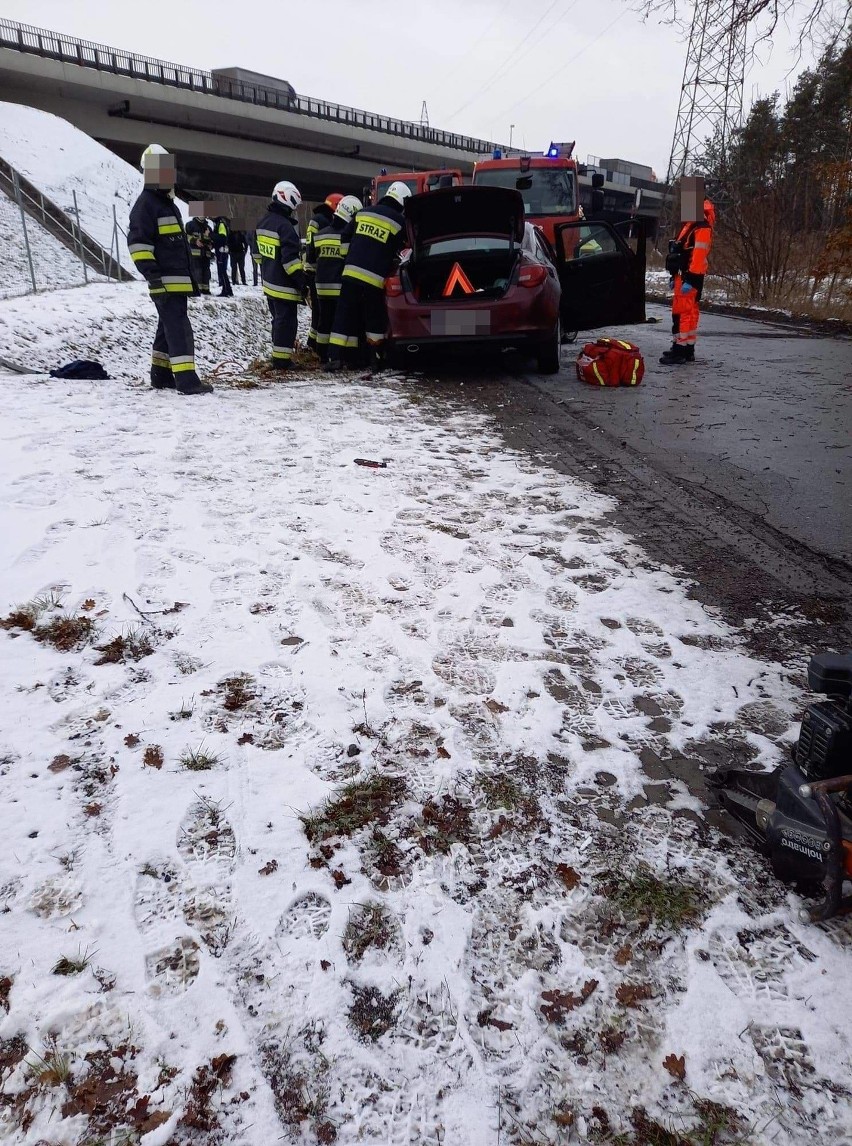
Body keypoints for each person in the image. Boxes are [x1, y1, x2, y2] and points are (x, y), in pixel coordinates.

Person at [126, 144, 212, 395]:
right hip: (164, 282)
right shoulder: (146, 206)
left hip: (175, 283)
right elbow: (139, 246)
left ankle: (161, 375)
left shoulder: (167, 205)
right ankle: (187, 380)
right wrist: (153, 278)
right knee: (179, 329)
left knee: (167, 328)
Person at [328, 181, 411, 373]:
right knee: (374, 318)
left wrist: (347, 258)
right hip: (374, 279)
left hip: (350, 274)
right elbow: (401, 250)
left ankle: (335, 358)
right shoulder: (398, 222)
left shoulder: (363, 212)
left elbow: (345, 236)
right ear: (402, 202)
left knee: (343, 315)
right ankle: (376, 359)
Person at [254, 180, 306, 370]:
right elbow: (290, 262)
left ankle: (278, 358)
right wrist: (302, 281)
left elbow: (256, 255)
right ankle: (282, 361)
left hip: (269, 283)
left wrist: (269, 268)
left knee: (277, 321)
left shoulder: (262, 223)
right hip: (284, 287)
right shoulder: (285, 228)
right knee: (287, 323)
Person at [660, 198, 716, 365]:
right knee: (687, 313)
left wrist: (690, 280)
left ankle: (680, 351)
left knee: (684, 314)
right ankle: (685, 348)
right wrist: (674, 276)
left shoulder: (701, 227)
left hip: (690, 276)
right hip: (684, 275)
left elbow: (698, 256)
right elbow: (681, 250)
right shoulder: (693, 225)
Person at [309, 195, 362, 363]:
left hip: (322, 287)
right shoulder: (348, 237)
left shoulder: (320, 235)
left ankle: (322, 354)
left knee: (324, 322)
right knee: (347, 322)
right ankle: (350, 357)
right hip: (340, 287)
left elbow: (310, 259)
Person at [304, 193, 343, 352]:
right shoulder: (323, 221)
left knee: (319, 314)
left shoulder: (317, 219)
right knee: (321, 314)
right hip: (318, 272)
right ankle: (316, 346)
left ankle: (313, 344)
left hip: (313, 271)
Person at [185, 214, 213, 295]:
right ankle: (197, 289)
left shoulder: (208, 227)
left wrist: (211, 245)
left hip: (206, 253)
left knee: (206, 272)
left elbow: (211, 239)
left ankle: (206, 290)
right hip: (195, 253)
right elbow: (186, 236)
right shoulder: (190, 225)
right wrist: (195, 241)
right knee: (197, 271)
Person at [212, 215, 233, 297]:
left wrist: (210, 234)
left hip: (221, 251)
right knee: (222, 271)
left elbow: (222, 237)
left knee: (222, 271)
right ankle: (228, 290)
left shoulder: (220, 224)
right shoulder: (219, 223)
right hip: (222, 250)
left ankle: (226, 290)